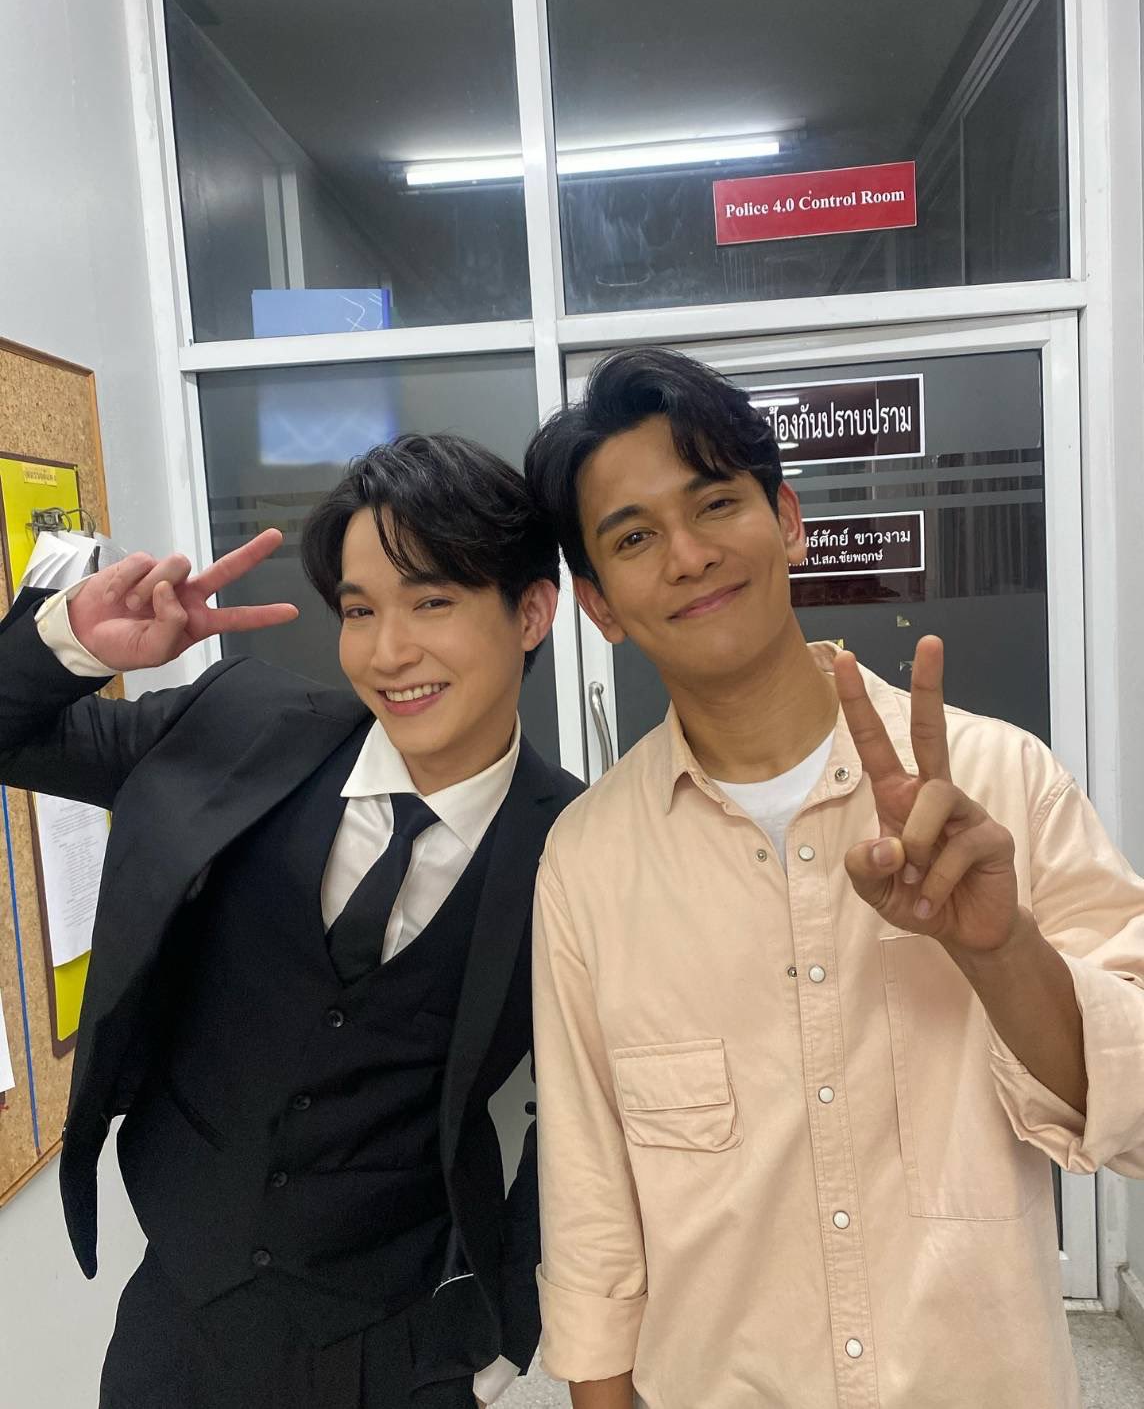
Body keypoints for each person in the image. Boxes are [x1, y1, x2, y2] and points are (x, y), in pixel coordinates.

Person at [523, 347, 1144, 1409]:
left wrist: (1002, 952)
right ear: (599, 605)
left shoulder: (998, 781)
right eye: (633, 537)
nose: (687, 555)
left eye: (715, 503)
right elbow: (592, 1213)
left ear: (788, 521)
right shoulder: (587, 862)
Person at [0, 433, 582, 1409]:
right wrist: (73, 643)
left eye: (431, 601)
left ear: (531, 610)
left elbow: (586, 1109)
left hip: (401, 1340)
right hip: (177, 1320)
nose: (388, 652)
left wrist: (508, 1330)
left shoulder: (573, 842)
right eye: (359, 610)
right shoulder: (239, 726)